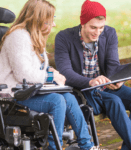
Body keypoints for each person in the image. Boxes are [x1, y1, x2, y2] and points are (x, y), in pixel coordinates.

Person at [0, 0, 97, 150]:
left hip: (30, 91)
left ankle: (88, 146)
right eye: (50, 20)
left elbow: (34, 67)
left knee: (69, 97)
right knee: (56, 101)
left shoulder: (32, 36)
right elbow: (23, 74)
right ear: (39, 19)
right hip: (13, 95)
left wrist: (50, 71)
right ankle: (53, 148)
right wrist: (51, 78)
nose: (53, 24)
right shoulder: (18, 37)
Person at [55, 0, 131, 149]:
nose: (97, 32)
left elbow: (112, 65)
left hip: (105, 85)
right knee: (114, 101)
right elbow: (65, 72)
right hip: (83, 89)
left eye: (101, 27)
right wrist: (90, 82)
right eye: (93, 27)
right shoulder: (64, 37)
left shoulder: (109, 33)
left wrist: (119, 79)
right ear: (83, 23)